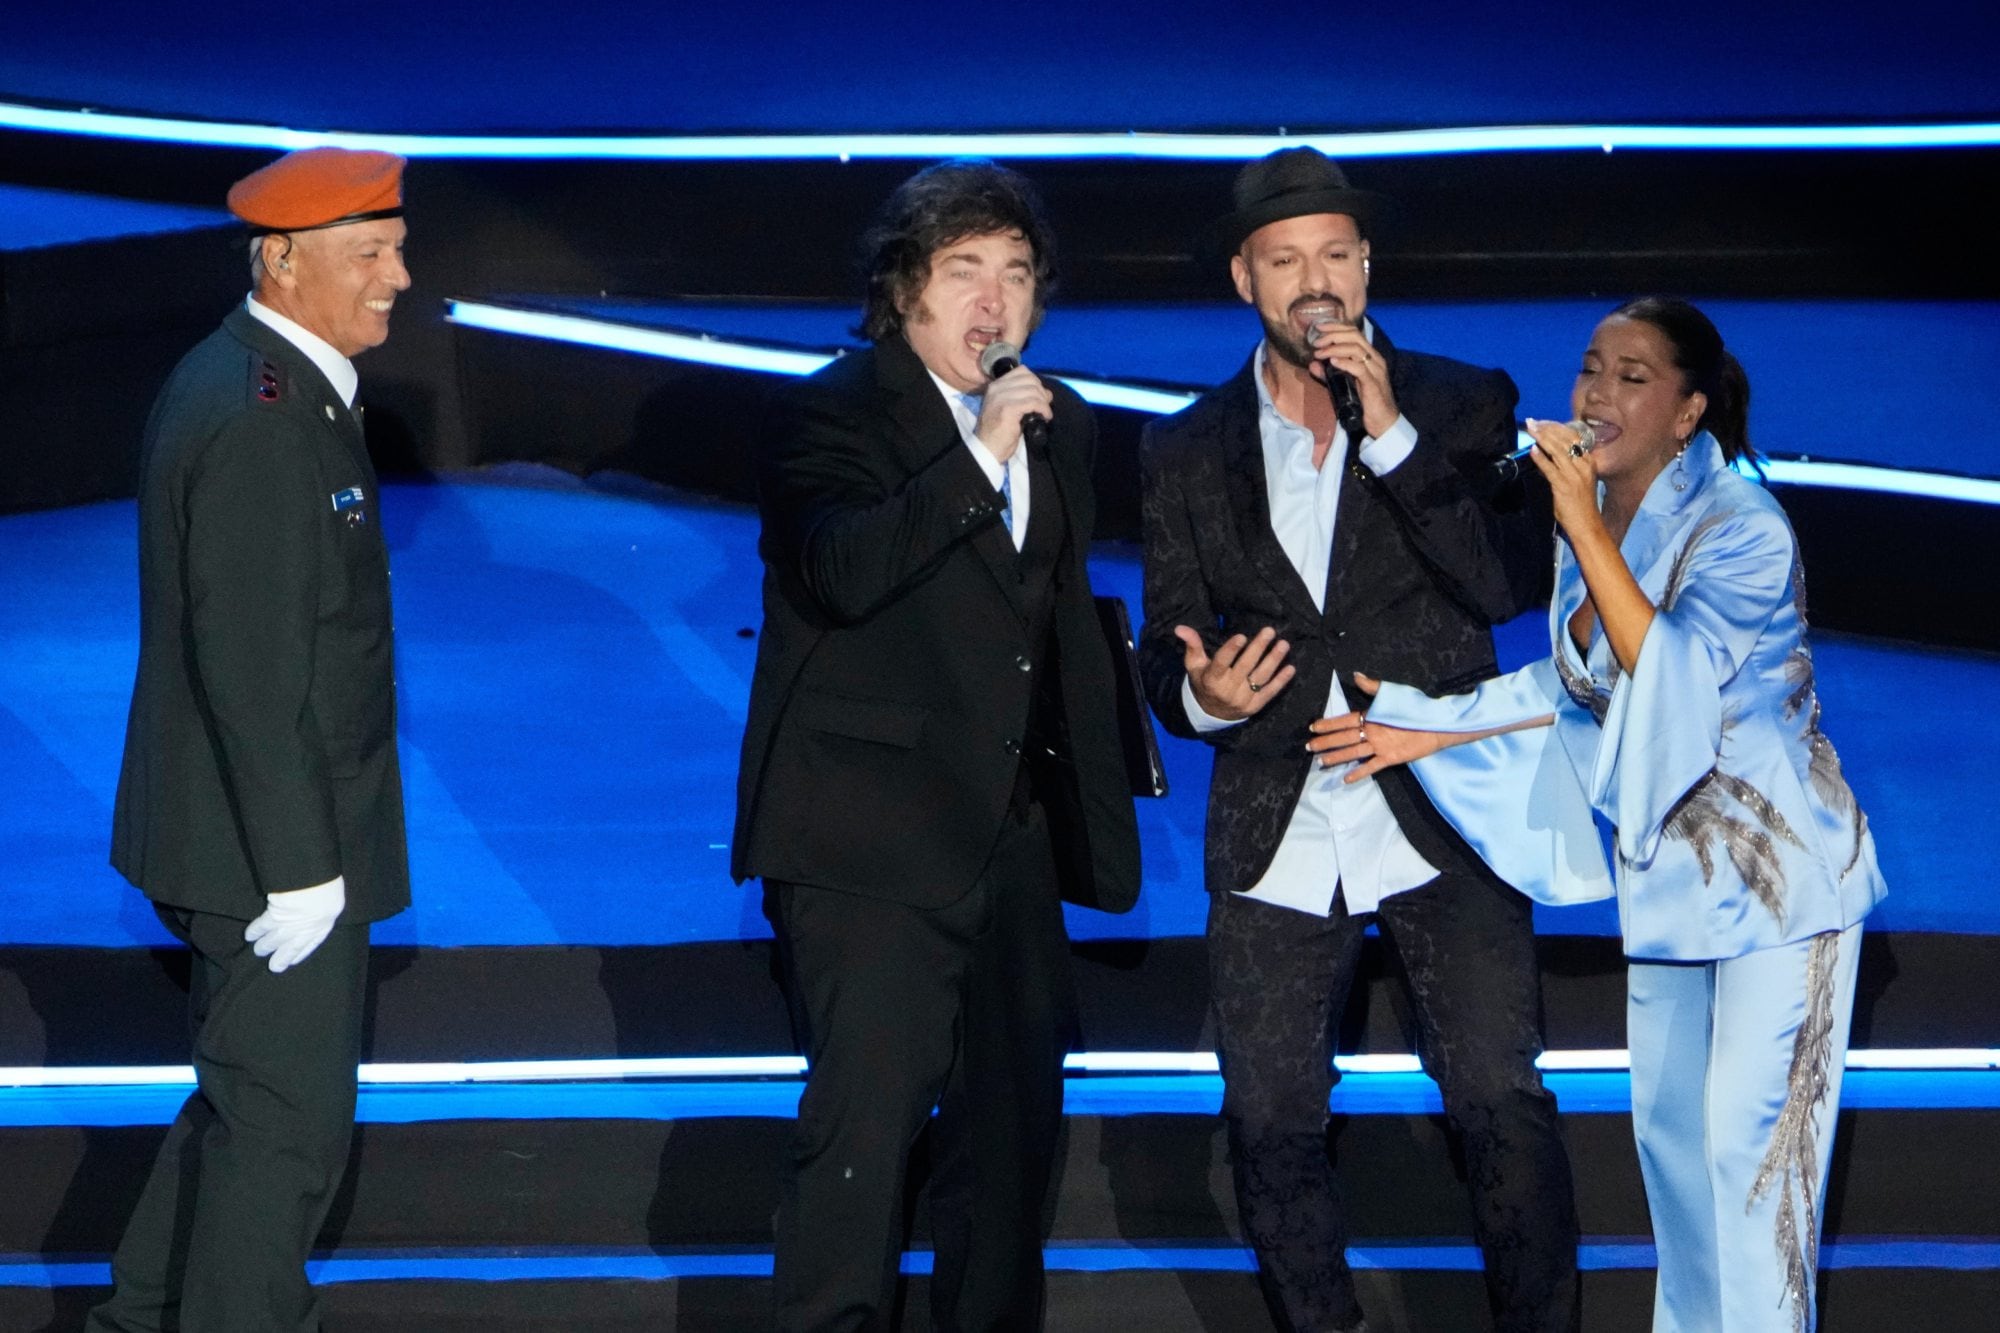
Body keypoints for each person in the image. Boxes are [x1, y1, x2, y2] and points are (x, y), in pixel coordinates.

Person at [1326, 298, 1886, 1332]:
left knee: (1752, 1164)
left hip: (1783, 888)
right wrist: (1428, 727)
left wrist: (1582, 523)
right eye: (1591, 368)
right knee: (1675, 1158)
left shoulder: (1742, 525)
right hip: (1670, 883)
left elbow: (1669, 674)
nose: (1597, 392)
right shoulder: (1600, 516)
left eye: (1633, 376)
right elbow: (1579, 681)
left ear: (1689, 411)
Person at [1137, 145, 1585, 1333]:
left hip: (1441, 802)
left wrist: (1388, 433)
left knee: (1498, 1099)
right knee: (1271, 1119)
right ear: (1244, 279)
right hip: (1276, 816)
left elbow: (1500, 586)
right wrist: (1204, 698)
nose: (1315, 282)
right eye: (1285, 260)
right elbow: (1163, 648)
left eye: (1334, 253)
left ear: (1368, 264)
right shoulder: (1183, 446)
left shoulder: (1460, 403)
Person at [732, 157, 1141, 1332]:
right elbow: (840, 570)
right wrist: (977, 458)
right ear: (905, 288)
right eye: (964, 269)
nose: (993, 299)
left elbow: (1048, 624)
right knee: (860, 1142)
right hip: (863, 841)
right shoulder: (827, 410)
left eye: (1015, 272)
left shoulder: (1063, 428)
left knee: (1010, 1153)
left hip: (1008, 837)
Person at [93, 146, 413, 1332]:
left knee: (245, 1105)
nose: (398, 277)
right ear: (280, 259)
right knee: (284, 1131)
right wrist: (302, 867)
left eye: (396, 248)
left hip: (238, 831)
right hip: (265, 853)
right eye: (368, 252)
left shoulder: (261, 381)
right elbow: (251, 672)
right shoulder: (263, 418)